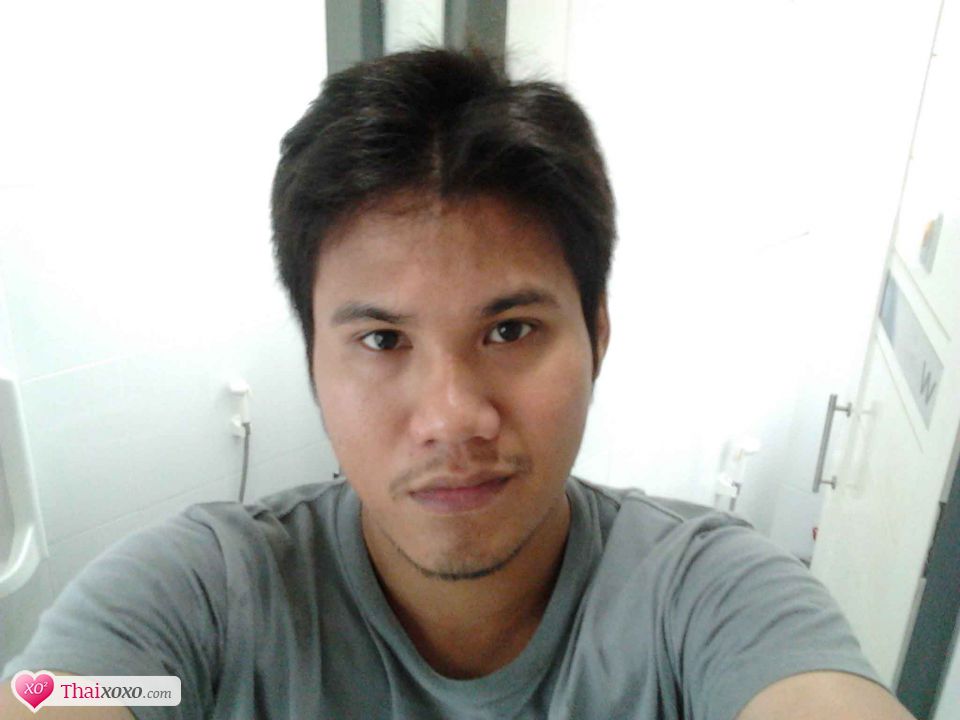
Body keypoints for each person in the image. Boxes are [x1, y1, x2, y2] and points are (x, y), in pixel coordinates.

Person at [1, 48, 916, 720]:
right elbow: (68, 692)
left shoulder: (707, 600)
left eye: (510, 330)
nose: (451, 418)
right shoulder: (205, 605)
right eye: (382, 339)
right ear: (313, 361)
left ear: (597, 335)